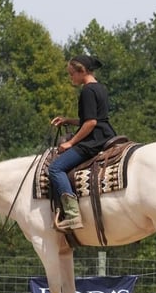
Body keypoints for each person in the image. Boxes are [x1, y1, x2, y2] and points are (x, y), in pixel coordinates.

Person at [49, 55, 116, 231]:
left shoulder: (87, 91)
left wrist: (71, 143)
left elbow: (91, 122)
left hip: (93, 140)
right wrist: (68, 121)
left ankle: (72, 214)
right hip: (106, 134)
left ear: (82, 71)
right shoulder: (100, 87)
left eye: (72, 74)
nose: (71, 77)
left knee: (55, 168)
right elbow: (93, 118)